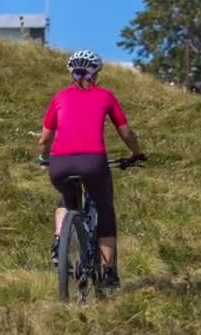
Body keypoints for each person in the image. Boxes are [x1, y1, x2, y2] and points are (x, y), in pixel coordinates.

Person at [38, 50, 145, 290]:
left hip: (59, 164)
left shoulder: (59, 97)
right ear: (96, 73)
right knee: (104, 207)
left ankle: (58, 243)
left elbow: (45, 138)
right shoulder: (106, 96)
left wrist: (44, 158)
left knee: (67, 198)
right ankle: (108, 271)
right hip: (93, 162)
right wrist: (136, 154)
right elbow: (126, 132)